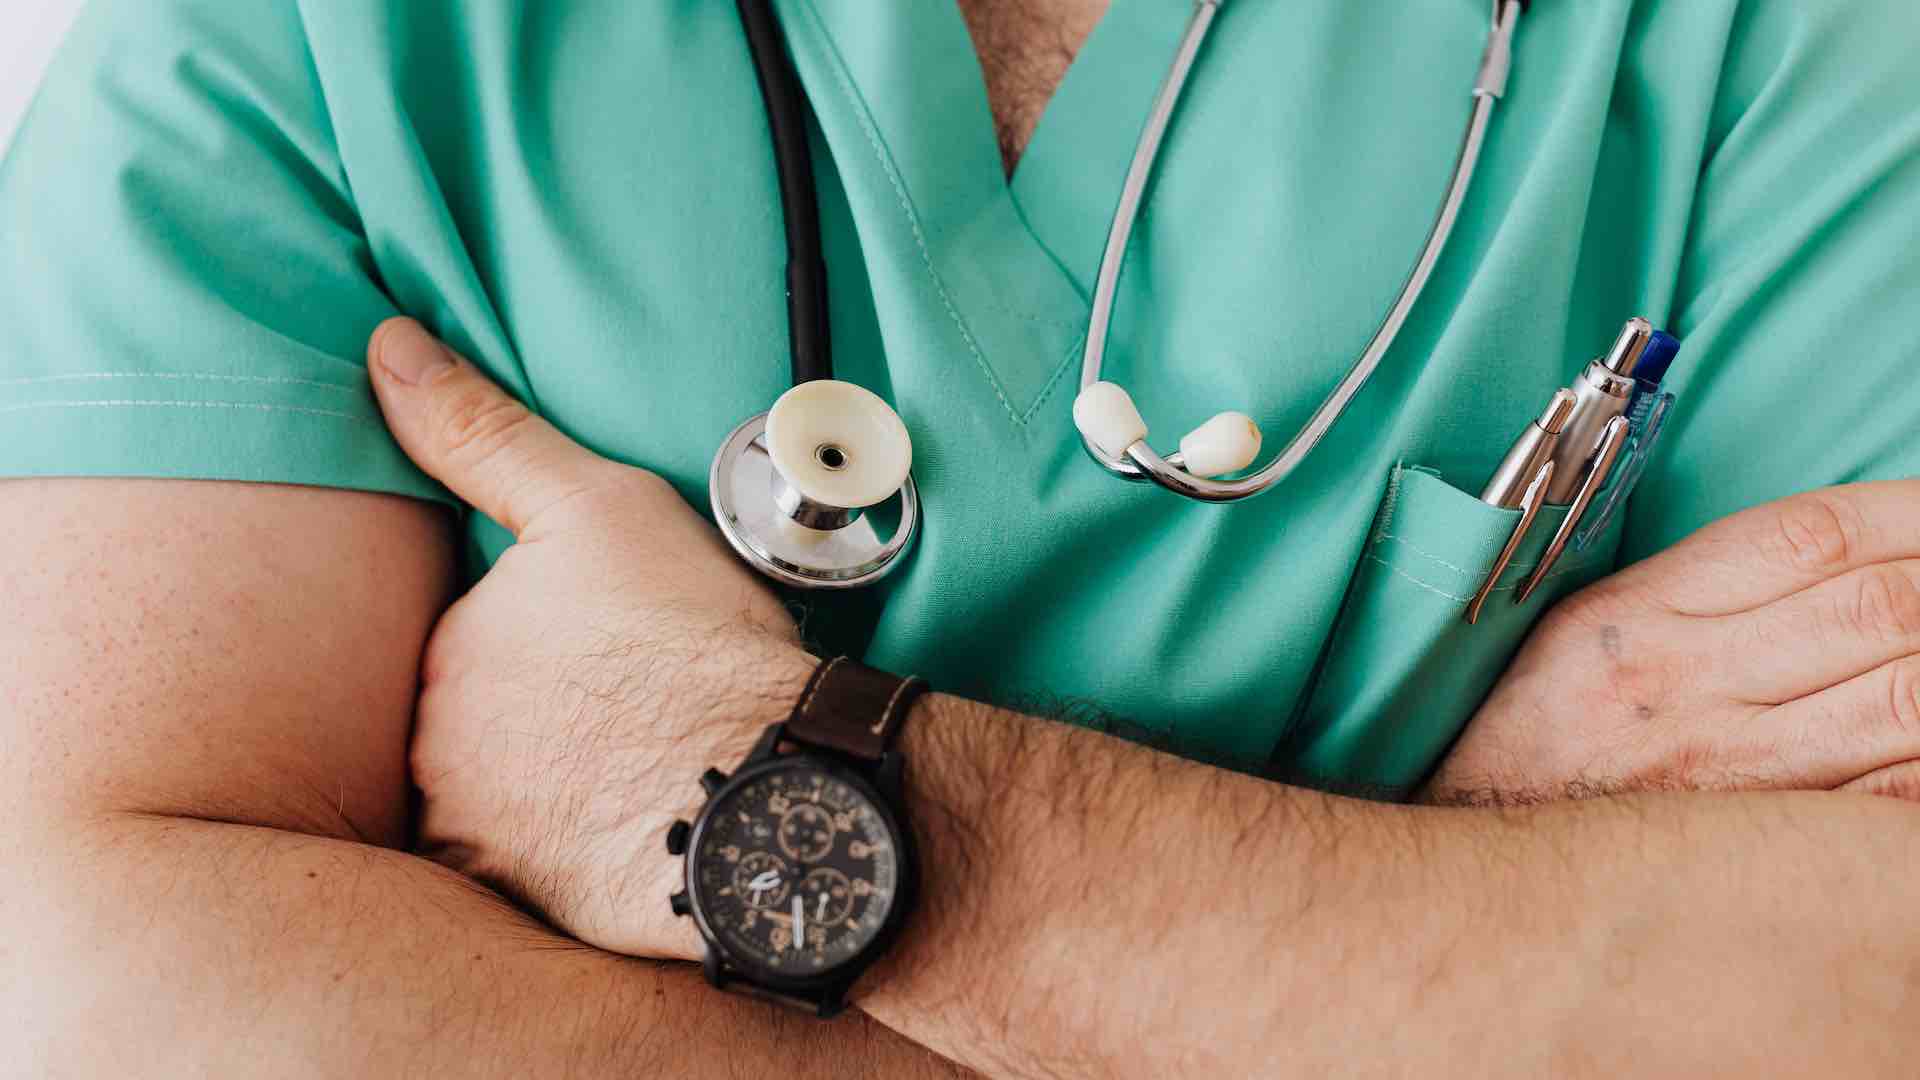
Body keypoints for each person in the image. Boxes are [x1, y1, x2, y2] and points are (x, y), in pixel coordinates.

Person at [3, 1, 1920, 1075]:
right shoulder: (292, 42)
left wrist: (698, 784)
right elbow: (98, 986)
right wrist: (1413, 899)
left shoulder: (1777, 55)